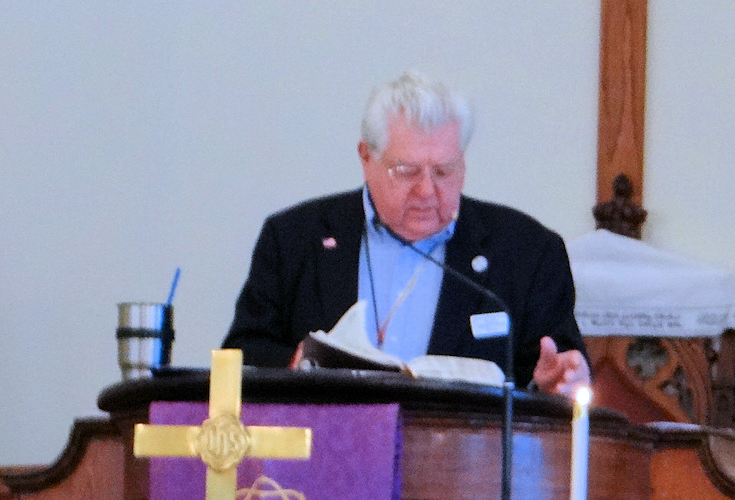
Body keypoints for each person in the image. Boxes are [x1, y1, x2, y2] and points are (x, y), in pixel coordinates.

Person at [223, 70, 589, 395]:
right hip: (325, 445)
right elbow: (243, 356)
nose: (427, 190)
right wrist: (297, 363)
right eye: (407, 171)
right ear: (366, 158)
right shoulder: (293, 239)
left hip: (466, 450)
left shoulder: (529, 252)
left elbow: (559, 369)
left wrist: (558, 382)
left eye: (444, 171)